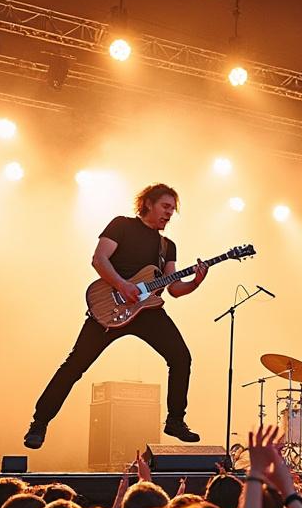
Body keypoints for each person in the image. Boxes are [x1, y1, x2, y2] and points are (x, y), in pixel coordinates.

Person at [24, 183, 210, 449]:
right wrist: (123, 286)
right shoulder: (121, 225)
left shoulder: (167, 246)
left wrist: (196, 282)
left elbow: (174, 289)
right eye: (165, 207)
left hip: (147, 311)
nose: (170, 214)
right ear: (148, 203)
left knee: (181, 357)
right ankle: (39, 423)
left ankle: (175, 421)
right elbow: (99, 259)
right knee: (75, 365)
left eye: (173, 209)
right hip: (109, 306)